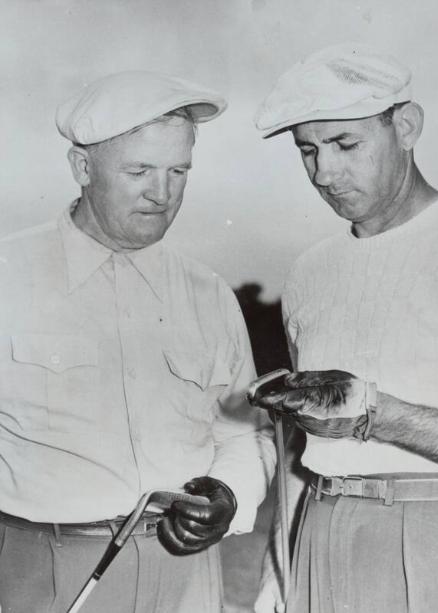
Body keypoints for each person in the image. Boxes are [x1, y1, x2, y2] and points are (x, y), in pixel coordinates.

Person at [0, 70, 275, 613]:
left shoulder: (209, 293)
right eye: (138, 170)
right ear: (82, 168)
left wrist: (229, 494)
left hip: (187, 573)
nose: (162, 192)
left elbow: (245, 435)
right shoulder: (10, 274)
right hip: (43, 570)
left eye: (178, 170)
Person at [252, 44, 438, 612]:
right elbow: (300, 444)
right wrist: (277, 574)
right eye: (308, 150)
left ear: (407, 127)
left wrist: (382, 417)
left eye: (346, 144)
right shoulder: (310, 272)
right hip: (321, 531)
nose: (324, 172)